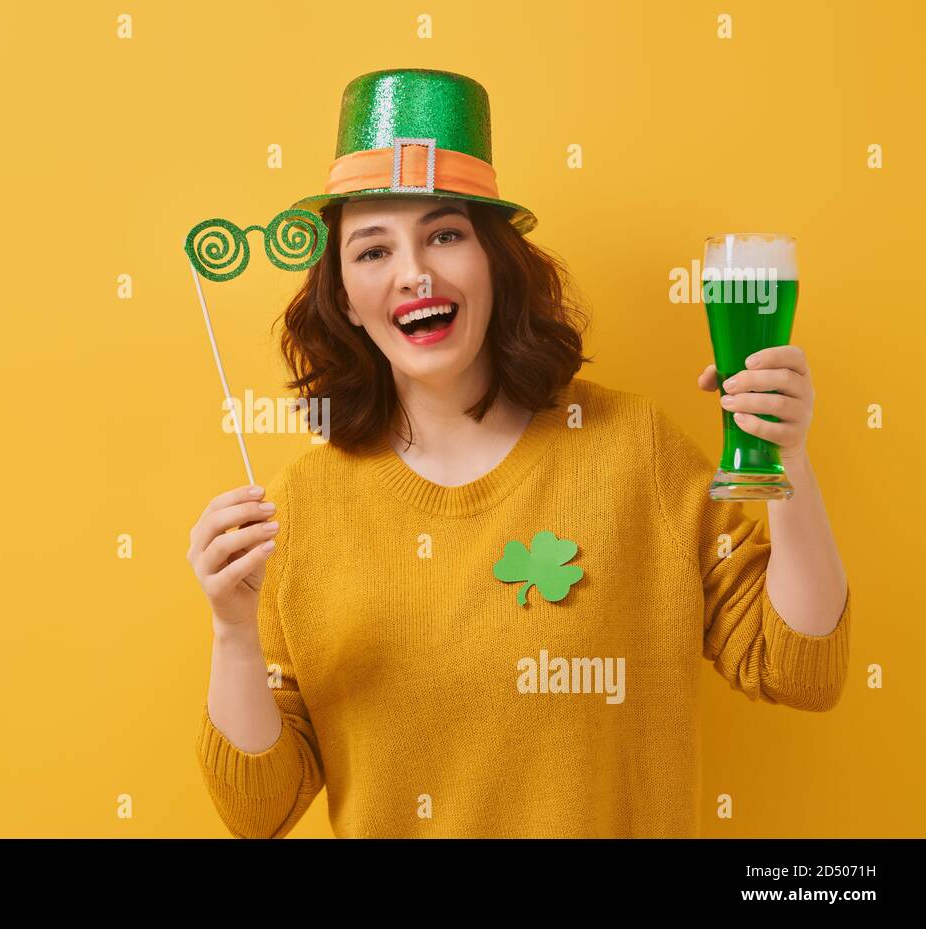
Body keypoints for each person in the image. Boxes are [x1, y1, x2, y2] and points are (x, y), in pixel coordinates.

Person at [186, 68, 851, 838]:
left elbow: (801, 670)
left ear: (496, 263)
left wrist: (788, 461)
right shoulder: (299, 505)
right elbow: (256, 810)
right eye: (372, 251)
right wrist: (232, 633)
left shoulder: (635, 449)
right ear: (342, 298)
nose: (414, 274)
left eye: (444, 234)